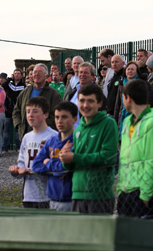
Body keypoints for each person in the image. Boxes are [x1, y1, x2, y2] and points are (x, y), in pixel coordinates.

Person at [59, 84, 118, 214]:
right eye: (82, 101)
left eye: (90, 101)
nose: (85, 105)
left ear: (100, 103)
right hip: (77, 193)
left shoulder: (108, 124)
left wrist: (75, 157)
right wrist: (65, 158)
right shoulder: (78, 129)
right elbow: (72, 165)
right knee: (78, 234)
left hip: (99, 194)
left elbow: (108, 157)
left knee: (99, 234)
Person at [116, 79, 153, 218]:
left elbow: (151, 160)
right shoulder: (128, 122)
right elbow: (124, 156)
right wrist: (120, 187)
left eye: (123, 97)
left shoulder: (152, 122)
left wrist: (145, 195)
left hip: (141, 192)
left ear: (128, 98)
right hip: (125, 189)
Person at [9, 97, 58, 209]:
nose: (30, 115)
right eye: (28, 112)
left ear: (45, 114)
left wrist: (34, 171)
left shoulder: (53, 137)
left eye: (35, 112)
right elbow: (21, 162)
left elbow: (57, 167)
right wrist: (16, 171)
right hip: (29, 195)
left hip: (47, 194)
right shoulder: (26, 137)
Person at [31, 102, 77, 212]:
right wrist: (55, 168)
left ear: (74, 119)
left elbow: (66, 167)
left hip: (71, 199)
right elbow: (36, 165)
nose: (59, 121)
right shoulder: (52, 141)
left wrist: (48, 163)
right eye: (57, 117)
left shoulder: (76, 141)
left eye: (64, 117)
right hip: (52, 197)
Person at [13, 63, 62, 141]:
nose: (37, 74)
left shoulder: (54, 94)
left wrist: (42, 126)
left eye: (40, 72)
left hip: (45, 137)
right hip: (26, 136)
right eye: (35, 72)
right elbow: (16, 110)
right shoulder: (25, 92)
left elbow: (57, 115)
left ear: (46, 76)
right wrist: (19, 125)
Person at [2, 69, 24, 152]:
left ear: (21, 75)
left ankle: (18, 147)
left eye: (18, 73)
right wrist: (9, 79)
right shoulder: (9, 85)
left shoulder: (23, 85)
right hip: (9, 110)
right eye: (15, 73)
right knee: (6, 130)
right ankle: (5, 147)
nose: (17, 75)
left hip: (18, 111)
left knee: (17, 130)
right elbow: (3, 86)